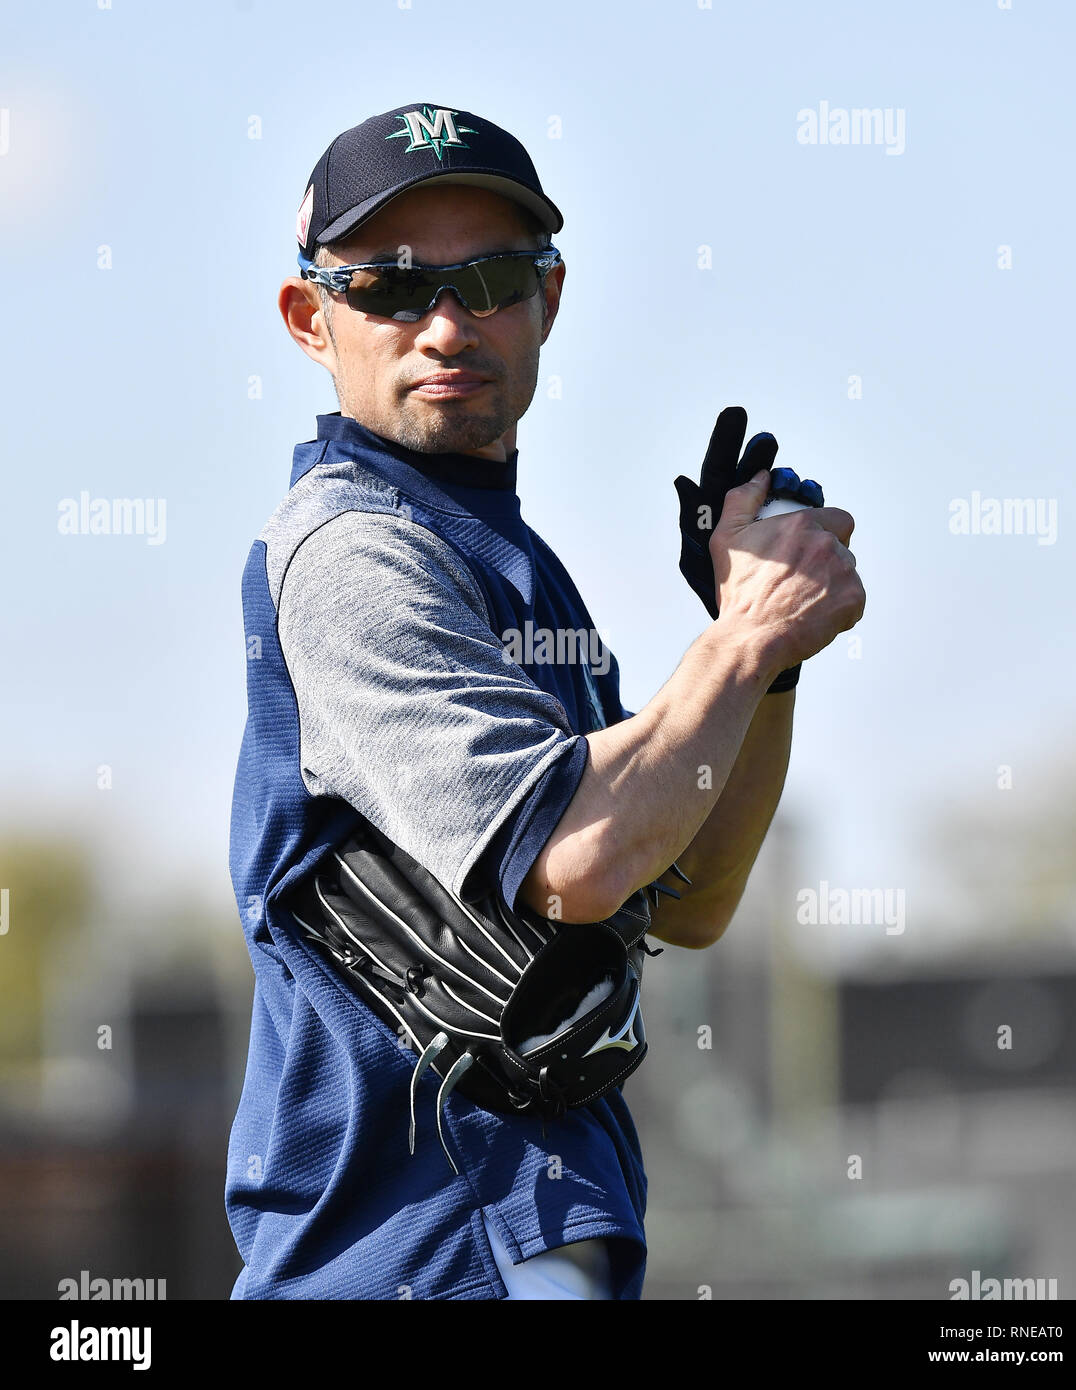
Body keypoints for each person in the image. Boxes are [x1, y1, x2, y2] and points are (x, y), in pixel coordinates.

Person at [224, 103, 864, 1301]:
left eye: (495, 276)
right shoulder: (352, 550)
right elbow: (579, 854)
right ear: (312, 318)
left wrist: (763, 670)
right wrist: (748, 634)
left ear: (549, 301)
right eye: (392, 287)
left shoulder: (507, 555)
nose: (449, 323)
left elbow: (691, 898)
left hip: (527, 1236)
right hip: (408, 1254)